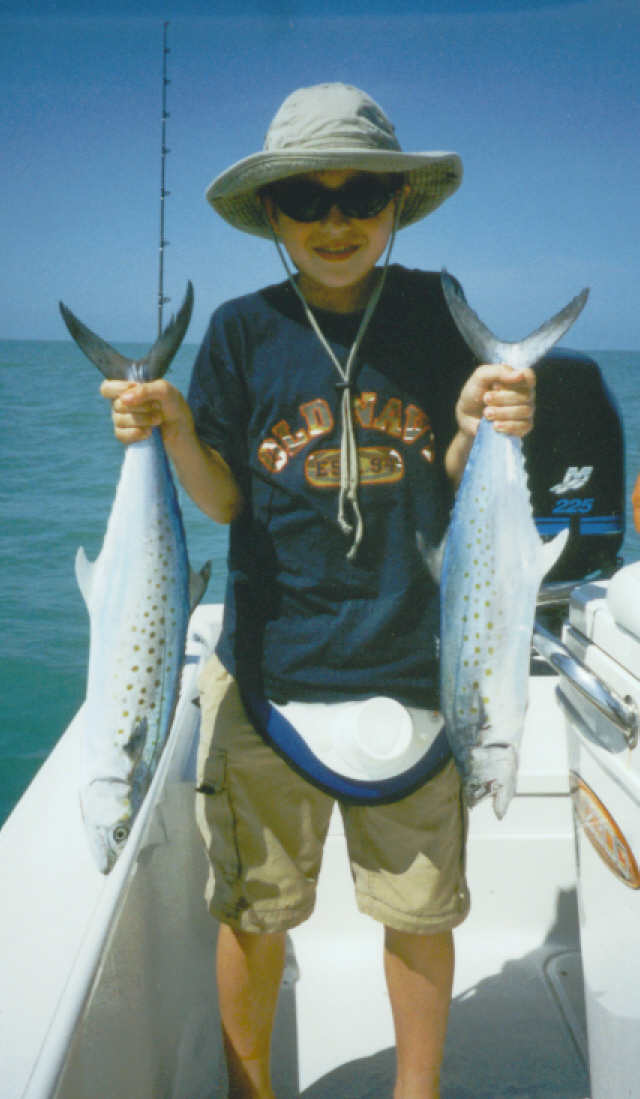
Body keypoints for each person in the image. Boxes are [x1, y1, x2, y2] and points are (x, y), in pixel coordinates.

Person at [102, 83, 535, 1099]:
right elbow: (218, 501)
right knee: (252, 913)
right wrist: (166, 428)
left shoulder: (435, 310)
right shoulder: (245, 332)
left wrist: (486, 415)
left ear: (394, 207)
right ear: (271, 216)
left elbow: (455, 468)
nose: (335, 219)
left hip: (418, 666)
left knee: (420, 917)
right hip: (267, 668)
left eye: (361, 195)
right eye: (306, 197)